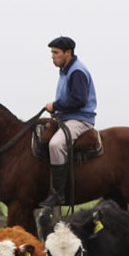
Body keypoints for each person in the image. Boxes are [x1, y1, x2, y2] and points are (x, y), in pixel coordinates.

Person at [39, 36, 97, 208]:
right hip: (66, 118)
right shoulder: (66, 70)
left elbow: (79, 100)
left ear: (68, 53)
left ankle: (58, 194)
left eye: (55, 53)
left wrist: (55, 105)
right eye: (52, 52)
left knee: (56, 144)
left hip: (80, 119)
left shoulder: (76, 71)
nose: (52, 56)